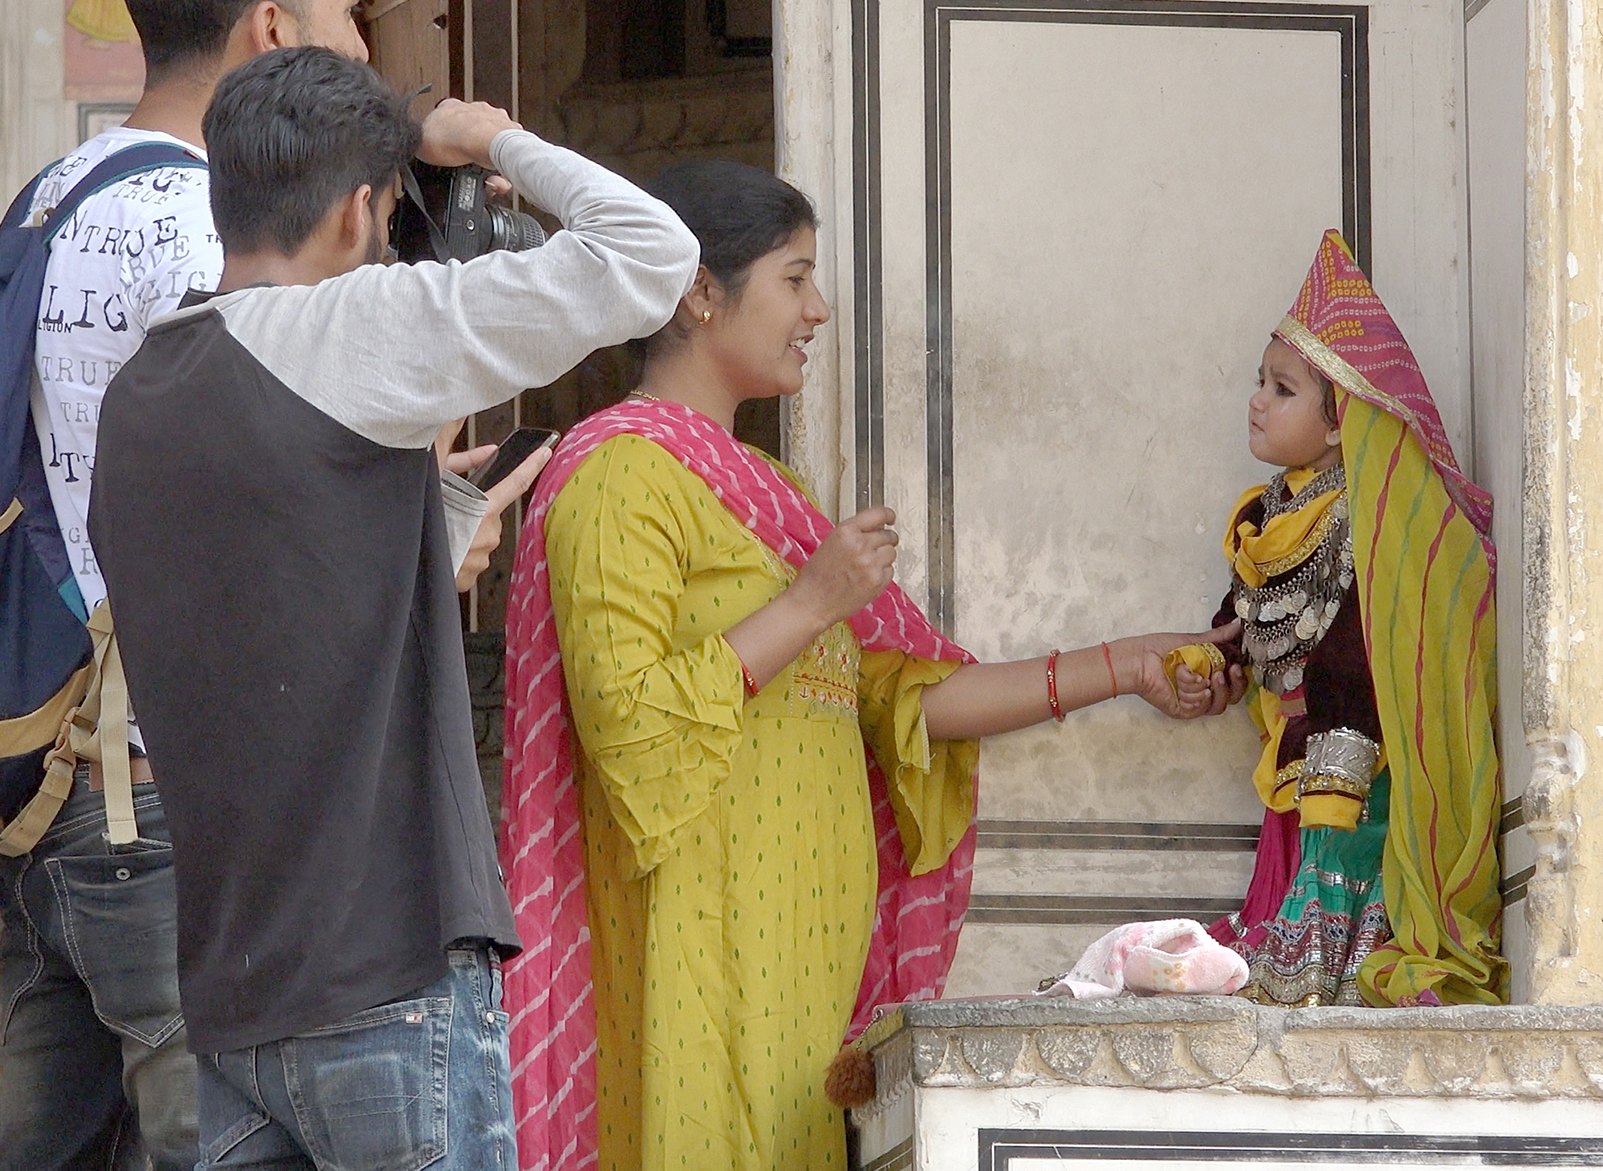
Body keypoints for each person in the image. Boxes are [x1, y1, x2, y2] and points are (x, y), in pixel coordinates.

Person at [498, 159, 1245, 1171]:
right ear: (699, 291)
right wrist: (811, 604)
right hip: (697, 950)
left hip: (805, 950)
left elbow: (900, 700)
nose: (819, 309)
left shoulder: (769, 490)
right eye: (794, 278)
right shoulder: (618, 475)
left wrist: (1124, 663)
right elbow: (628, 726)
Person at [0, 0, 538, 1170]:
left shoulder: (58, 195)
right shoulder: (212, 242)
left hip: (49, 800)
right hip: (181, 815)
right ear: (274, 33)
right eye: (353, 15)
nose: (367, 48)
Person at [86, 46, 699, 1170]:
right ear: (361, 210)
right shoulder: (351, 326)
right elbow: (652, 255)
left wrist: (426, 516)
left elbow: (266, 606)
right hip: (383, 977)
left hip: (230, 993)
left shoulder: (140, 394)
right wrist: (485, 139)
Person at [1172, 230, 1504, 1007]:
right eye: (1260, 380)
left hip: (1352, 779)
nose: (1256, 398)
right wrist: (1210, 664)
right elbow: (1244, 621)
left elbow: (1356, 654)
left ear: (1338, 424)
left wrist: (1339, 776)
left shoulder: (1367, 523)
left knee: (1336, 948)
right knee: (1280, 933)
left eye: (1282, 389)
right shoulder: (1265, 515)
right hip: (1289, 777)